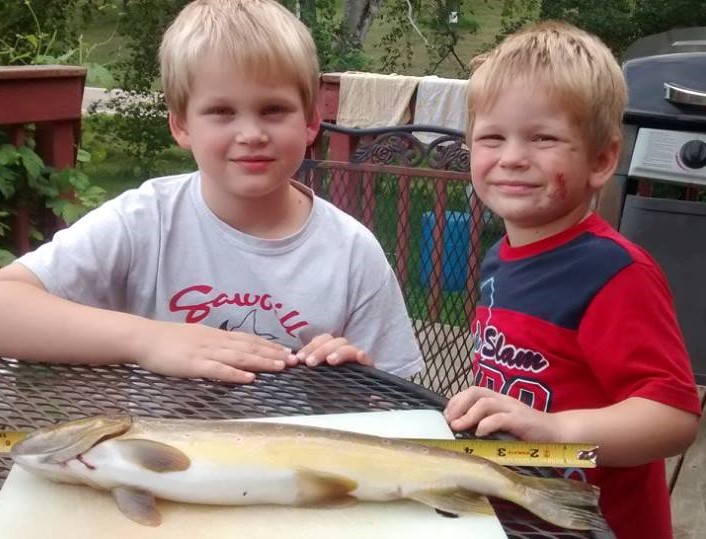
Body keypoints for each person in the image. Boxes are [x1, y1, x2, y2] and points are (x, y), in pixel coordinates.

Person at [0, 0, 422, 384]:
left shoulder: (351, 252)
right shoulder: (146, 221)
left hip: (292, 463)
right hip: (154, 461)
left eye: (273, 110)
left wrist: (354, 383)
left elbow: (401, 398)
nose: (251, 134)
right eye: (221, 112)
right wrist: (148, 339)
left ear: (310, 122)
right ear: (181, 125)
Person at [443, 21, 701, 539]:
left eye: (543, 138)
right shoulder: (500, 257)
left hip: (600, 525)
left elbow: (672, 416)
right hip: (527, 513)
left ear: (603, 159)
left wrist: (558, 431)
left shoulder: (613, 274)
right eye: (492, 137)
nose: (513, 156)